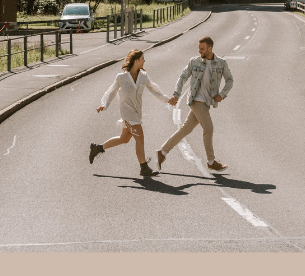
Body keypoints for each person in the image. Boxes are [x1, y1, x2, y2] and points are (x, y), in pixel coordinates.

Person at [157, 36, 235, 173]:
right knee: (208, 128)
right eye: (199, 48)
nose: (200, 51)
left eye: (202, 49)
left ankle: (163, 151)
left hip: (207, 102)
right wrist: (176, 94)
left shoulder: (221, 63)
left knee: (185, 130)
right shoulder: (194, 62)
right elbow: (183, 77)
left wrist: (222, 94)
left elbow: (230, 80)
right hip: (196, 101)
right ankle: (211, 161)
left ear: (210, 48)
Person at [89, 48, 168, 178]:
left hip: (137, 113)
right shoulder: (122, 77)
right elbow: (111, 91)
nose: (144, 61)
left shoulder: (143, 77)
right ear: (136, 61)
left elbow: (154, 88)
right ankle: (144, 167)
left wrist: (167, 99)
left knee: (124, 139)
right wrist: (104, 104)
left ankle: (97, 148)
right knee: (140, 138)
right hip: (127, 113)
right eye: (142, 59)